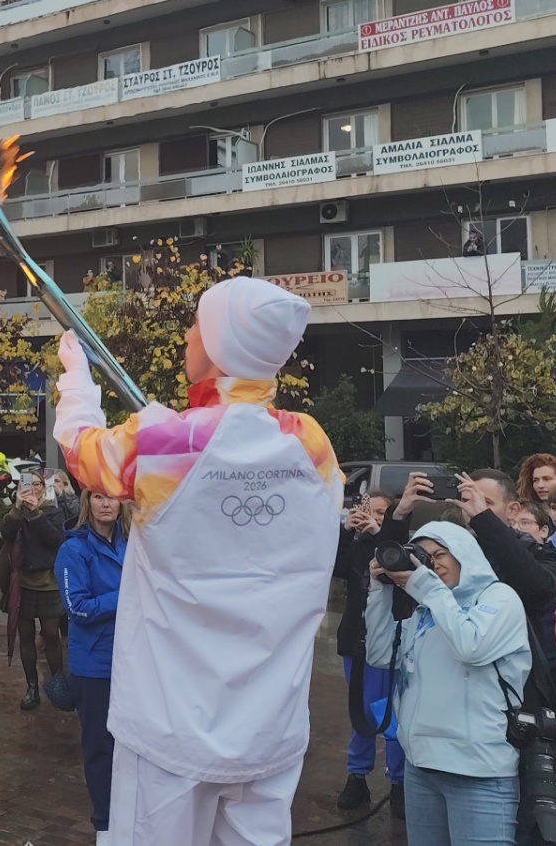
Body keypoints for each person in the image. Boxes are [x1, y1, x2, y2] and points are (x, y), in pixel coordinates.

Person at [56, 277, 340, 845]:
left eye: (196, 325)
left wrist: (77, 383)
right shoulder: (310, 443)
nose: (186, 335)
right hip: (271, 725)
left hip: (171, 728)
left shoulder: (170, 440)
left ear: (219, 346)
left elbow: (83, 454)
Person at [366, 521, 533, 846]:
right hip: (421, 766)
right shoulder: (429, 609)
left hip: (478, 772)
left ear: (465, 554)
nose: (433, 565)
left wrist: (428, 588)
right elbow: (380, 654)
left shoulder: (500, 598)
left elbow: (470, 646)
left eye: (441, 554)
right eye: (423, 557)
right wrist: (379, 591)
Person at [58, 490, 132, 846]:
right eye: (99, 497)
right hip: (95, 665)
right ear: (88, 502)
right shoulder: (73, 550)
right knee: (100, 745)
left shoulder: (131, 543)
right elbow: (78, 608)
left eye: (113, 498)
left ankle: (129, 815)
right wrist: (127, 594)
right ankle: (104, 823)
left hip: (132, 661)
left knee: (131, 743)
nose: (107, 504)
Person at [335, 492, 406, 816]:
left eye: (381, 514)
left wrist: (380, 533)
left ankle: (399, 783)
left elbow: (394, 562)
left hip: (390, 644)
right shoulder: (358, 543)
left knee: (392, 713)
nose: (373, 519)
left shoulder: (395, 542)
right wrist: (345, 531)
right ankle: (357, 775)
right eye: (369, 513)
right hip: (356, 641)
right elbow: (335, 569)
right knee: (360, 710)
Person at [2, 471, 67, 710]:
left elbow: (54, 540)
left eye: (37, 484)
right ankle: (31, 687)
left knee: (51, 634)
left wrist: (35, 513)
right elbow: (6, 534)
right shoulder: (16, 511)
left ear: (43, 487)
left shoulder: (52, 510)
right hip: (23, 582)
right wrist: (18, 508)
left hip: (48, 581)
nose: (33, 489)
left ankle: (57, 682)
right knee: (26, 635)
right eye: (28, 484)